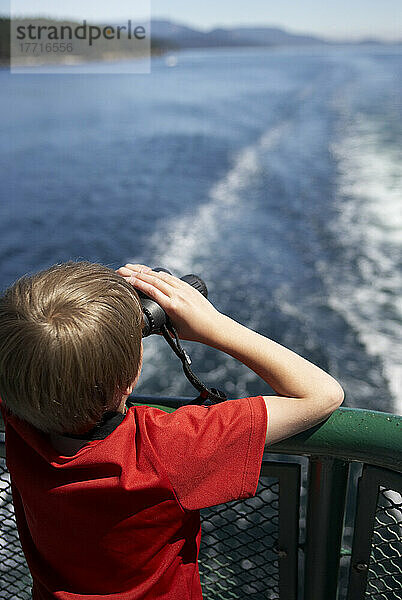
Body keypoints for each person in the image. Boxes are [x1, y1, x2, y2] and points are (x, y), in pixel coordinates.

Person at [0, 261, 344, 600]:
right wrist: (214, 326)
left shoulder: (18, 420)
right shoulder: (168, 446)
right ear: (133, 375)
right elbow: (321, 394)